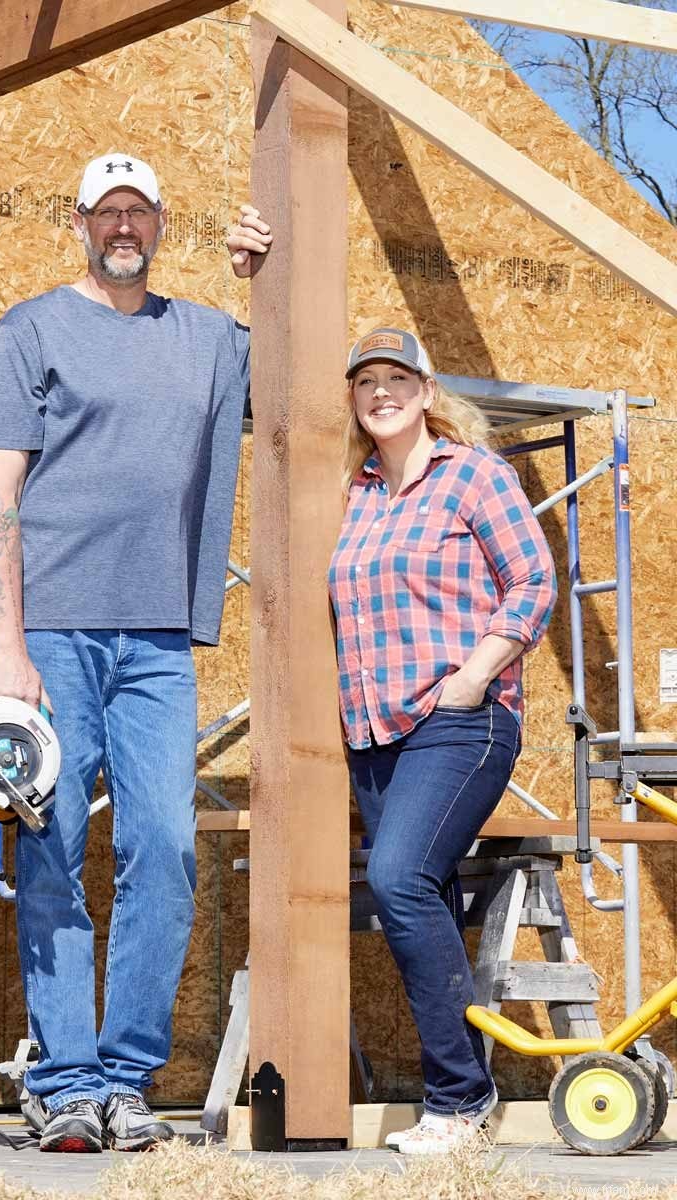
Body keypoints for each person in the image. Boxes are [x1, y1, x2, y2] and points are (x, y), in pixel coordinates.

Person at [0, 152, 251, 1153]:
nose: (123, 226)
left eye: (140, 212)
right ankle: (69, 1079)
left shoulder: (210, 337)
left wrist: (269, 270)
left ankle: (128, 1078)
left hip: (161, 640)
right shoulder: (31, 332)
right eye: (106, 212)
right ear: (79, 222)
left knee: (163, 848)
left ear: (161, 224)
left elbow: (314, 366)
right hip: (51, 639)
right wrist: (8, 647)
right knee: (48, 851)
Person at [328, 327, 556, 1154]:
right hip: (374, 731)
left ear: (427, 391)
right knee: (416, 897)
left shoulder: (473, 476)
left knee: (397, 877)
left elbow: (535, 578)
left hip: (461, 718)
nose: (381, 392)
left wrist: (473, 675)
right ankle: (459, 1093)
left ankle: (460, 1102)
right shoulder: (355, 493)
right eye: (367, 382)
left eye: (397, 378)